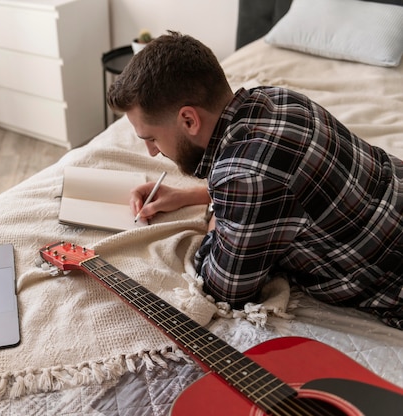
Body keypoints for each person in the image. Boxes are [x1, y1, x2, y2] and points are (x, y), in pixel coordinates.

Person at [106, 31, 403, 329]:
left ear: (189, 120)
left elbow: (223, 290)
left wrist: (217, 213)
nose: (152, 151)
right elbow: (288, 184)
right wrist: (195, 195)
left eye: (152, 137)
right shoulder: (276, 98)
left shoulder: (244, 179)